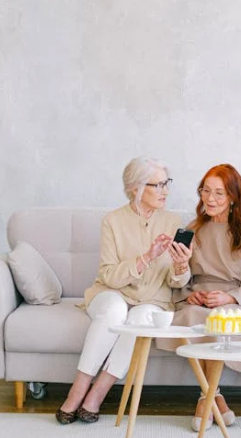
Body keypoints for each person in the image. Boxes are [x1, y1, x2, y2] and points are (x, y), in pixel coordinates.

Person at [55, 157, 192, 424]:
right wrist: (146, 257)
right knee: (115, 310)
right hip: (111, 292)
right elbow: (108, 274)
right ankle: (77, 392)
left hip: (153, 299)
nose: (165, 191)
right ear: (135, 188)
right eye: (158, 185)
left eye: (166, 183)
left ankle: (97, 395)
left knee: (140, 320)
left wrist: (181, 265)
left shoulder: (173, 221)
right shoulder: (113, 221)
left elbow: (177, 282)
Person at [170, 164, 241, 432]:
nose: (209, 199)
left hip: (234, 301)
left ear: (233, 197)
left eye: (219, 193)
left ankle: (206, 398)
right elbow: (181, 281)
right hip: (199, 299)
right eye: (205, 191)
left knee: (222, 319)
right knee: (192, 315)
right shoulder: (192, 229)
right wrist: (192, 294)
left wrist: (230, 298)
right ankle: (215, 397)